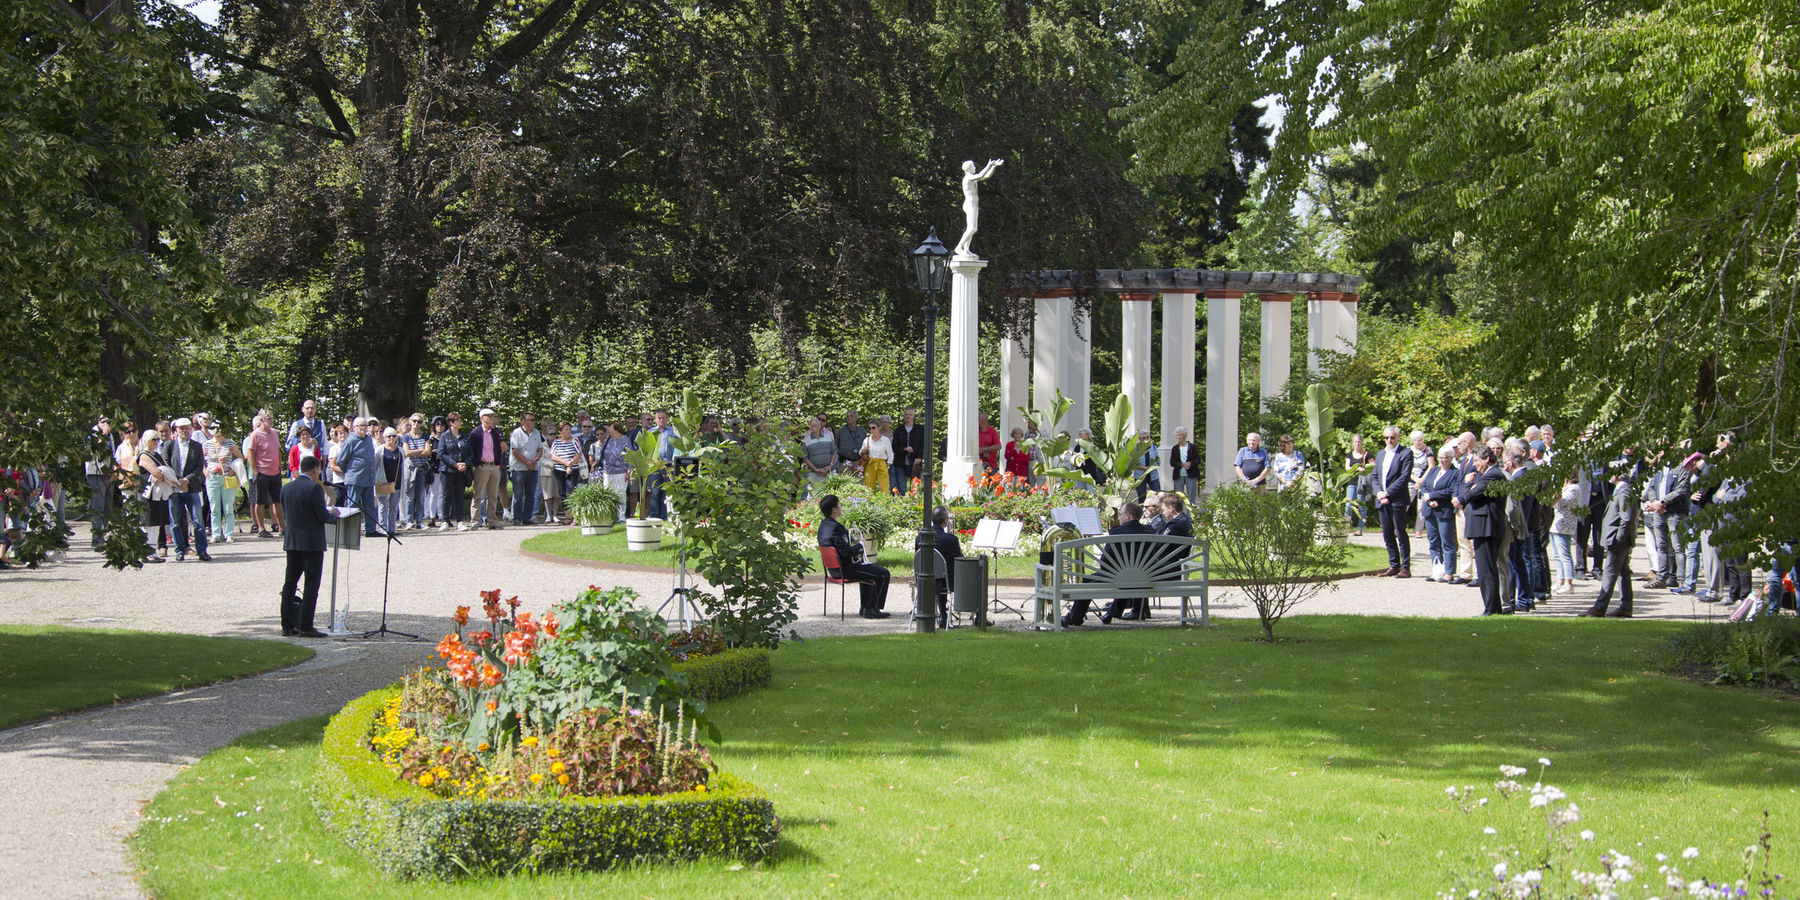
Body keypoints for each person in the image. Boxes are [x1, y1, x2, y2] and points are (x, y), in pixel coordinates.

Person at [1060, 500, 1153, 627]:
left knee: (1088, 581)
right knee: (1127, 577)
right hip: (1146, 577)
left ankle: (1074, 617)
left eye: (1120, 514)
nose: (1119, 518)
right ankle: (1111, 613)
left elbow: (1105, 562)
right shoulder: (1150, 531)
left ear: (1128, 516)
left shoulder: (1117, 533)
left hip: (1119, 577)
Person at [278, 455, 339, 637]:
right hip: (311, 542)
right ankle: (306, 626)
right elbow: (322, 516)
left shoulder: (286, 488)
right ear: (315, 469)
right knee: (311, 585)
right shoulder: (314, 488)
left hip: (292, 541)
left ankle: (287, 625)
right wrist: (334, 514)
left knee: (290, 584)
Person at [1582, 463, 1643, 618]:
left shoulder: (1624, 491)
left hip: (1617, 541)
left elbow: (1627, 518)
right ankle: (1625, 607)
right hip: (1616, 539)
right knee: (1623, 573)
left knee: (1610, 573)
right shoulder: (1622, 490)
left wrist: (1619, 538)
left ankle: (1599, 608)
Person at [816, 494, 891, 618]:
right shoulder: (836, 528)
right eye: (839, 504)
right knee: (883, 574)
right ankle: (872, 609)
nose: (841, 506)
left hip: (833, 570)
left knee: (869, 571)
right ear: (834, 510)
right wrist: (860, 545)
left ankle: (866, 607)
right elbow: (846, 552)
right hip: (845, 569)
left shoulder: (823, 526)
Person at [1457, 445, 1506, 615]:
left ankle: (1491, 609)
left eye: (1477, 461)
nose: (1475, 465)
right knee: (1487, 569)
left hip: (1487, 527)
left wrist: (1468, 484)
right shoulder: (1487, 475)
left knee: (1486, 570)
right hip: (1484, 527)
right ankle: (1493, 608)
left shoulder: (1493, 475)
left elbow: (1470, 496)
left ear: (1486, 459)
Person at [165, 418, 212, 562]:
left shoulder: (197, 446)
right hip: (174, 488)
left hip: (192, 488)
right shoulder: (169, 445)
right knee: (175, 521)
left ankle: (201, 550)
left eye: (186, 428)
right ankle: (180, 550)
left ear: (191, 429)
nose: (184, 431)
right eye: (181, 428)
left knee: (198, 521)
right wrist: (177, 480)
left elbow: (199, 467)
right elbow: (166, 465)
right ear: (176, 430)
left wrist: (187, 480)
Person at [1372, 426, 1413, 577]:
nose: (1389, 440)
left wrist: (1387, 493)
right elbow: (1374, 476)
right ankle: (1394, 564)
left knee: (1400, 533)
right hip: (1382, 500)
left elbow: (1404, 477)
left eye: (1392, 437)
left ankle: (1406, 567)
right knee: (1387, 534)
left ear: (1398, 437)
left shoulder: (1405, 453)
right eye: (1387, 438)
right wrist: (1378, 493)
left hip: (1397, 500)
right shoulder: (1381, 454)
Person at [334, 417, 380, 537]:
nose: (364, 428)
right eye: (361, 426)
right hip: (355, 479)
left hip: (368, 479)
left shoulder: (369, 439)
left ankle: (370, 530)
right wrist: (350, 472)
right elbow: (341, 460)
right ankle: (350, 532)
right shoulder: (350, 441)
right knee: (352, 507)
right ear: (354, 428)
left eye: (365, 426)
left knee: (369, 506)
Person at [1420, 445, 1460, 582]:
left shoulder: (1455, 473)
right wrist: (1429, 498)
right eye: (1441, 457)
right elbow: (1424, 486)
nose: (1443, 460)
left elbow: (1450, 490)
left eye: (1446, 458)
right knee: (1433, 541)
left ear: (1451, 458)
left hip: (1444, 510)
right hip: (1430, 509)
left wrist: (1432, 495)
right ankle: (1437, 570)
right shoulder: (1434, 471)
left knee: (1447, 542)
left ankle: (1449, 572)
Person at [204, 421, 244, 544]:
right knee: (214, 507)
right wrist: (205, 471)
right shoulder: (207, 444)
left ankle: (229, 533)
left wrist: (233, 470)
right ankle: (216, 533)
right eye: (217, 435)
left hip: (226, 477)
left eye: (222, 435)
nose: (220, 438)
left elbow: (240, 457)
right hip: (212, 478)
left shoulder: (230, 443)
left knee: (228, 507)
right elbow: (201, 459)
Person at [468, 408, 507, 529]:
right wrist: (477, 463)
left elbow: (499, 448)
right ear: (482, 417)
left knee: (493, 495)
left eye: (492, 416)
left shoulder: (495, 432)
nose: (491, 418)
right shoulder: (475, 432)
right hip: (482, 466)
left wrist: (496, 461)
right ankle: (475, 520)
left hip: (494, 466)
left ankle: (492, 521)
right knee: (478, 495)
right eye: (489, 416)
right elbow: (472, 450)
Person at [135, 430, 171, 563]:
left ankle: (152, 551)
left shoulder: (158, 455)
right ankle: (146, 551)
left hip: (160, 493)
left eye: (157, 439)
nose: (156, 442)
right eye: (153, 439)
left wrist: (165, 474)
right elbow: (157, 472)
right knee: (148, 522)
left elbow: (167, 469)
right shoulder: (143, 455)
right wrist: (163, 474)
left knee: (157, 523)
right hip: (148, 493)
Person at [1549, 470, 1586, 595]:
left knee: (1565, 555)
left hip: (1565, 525)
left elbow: (1561, 504)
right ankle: (1560, 580)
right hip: (1556, 523)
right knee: (1557, 555)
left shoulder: (1574, 489)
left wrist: (1556, 496)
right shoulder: (1565, 488)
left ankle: (1569, 583)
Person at [927, 505, 964, 629]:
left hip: (925, 581)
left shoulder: (920, 537)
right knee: (973, 575)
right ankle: (979, 616)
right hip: (946, 581)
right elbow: (960, 561)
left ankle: (943, 614)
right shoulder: (950, 539)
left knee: (940, 575)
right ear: (945, 521)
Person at [507, 412, 545, 527]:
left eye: (534, 420)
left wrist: (534, 461)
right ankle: (517, 518)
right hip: (519, 469)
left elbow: (540, 449)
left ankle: (527, 517)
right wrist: (527, 462)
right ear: (524, 421)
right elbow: (515, 451)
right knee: (518, 494)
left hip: (533, 468)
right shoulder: (516, 433)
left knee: (531, 494)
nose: (534, 422)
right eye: (531, 420)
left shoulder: (536, 433)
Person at [438, 412, 471, 530]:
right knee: (447, 495)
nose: (460, 422)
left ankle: (460, 521)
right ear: (451, 423)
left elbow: (470, 453)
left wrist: (465, 464)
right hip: (447, 470)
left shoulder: (464, 436)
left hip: (461, 471)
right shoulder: (444, 436)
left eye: (460, 420)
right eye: (457, 421)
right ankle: (445, 521)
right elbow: (441, 453)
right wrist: (454, 464)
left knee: (459, 495)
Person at [400, 413, 432, 529]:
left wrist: (416, 452)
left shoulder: (425, 436)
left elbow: (428, 452)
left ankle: (419, 521)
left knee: (420, 496)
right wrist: (420, 450)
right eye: (414, 421)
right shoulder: (406, 437)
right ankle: (409, 520)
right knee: (410, 496)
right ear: (410, 421)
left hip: (421, 469)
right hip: (410, 469)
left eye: (419, 421)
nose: (416, 423)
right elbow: (406, 453)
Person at [548, 421, 582, 525]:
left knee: (571, 492)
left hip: (573, 470)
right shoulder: (556, 442)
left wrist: (570, 465)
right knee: (562, 493)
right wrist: (566, 463)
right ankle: (567, 516)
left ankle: (575, 517)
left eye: (569, 429)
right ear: (560, 431)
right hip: (559, 471)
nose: (568, 431)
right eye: (566, 429)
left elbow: (578, 454)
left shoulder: (575, 440)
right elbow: (553, 456)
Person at [800, 416, 837, 496]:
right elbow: (805, 458)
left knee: (830, 495)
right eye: (812, 426)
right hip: (814, 474)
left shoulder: (829, 437)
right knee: (814, 496)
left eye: (815, 425)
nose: (813, 427)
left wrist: (830, 466)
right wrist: (816, 469)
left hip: (829, 473)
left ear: (819, 426)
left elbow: (834, 452)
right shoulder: (806, 440)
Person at [376, 427, 403, 533]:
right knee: (382, 506)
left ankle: (392, 529)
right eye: (388, 436)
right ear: (384, 437)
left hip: (396, 481)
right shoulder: (379, 450)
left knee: (394, 507)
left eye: (393, 436)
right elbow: (375, 465)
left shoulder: (400, 450)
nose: (391, 438)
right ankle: (383, 528)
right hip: (383, 481)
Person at [893, 407, 925, 494]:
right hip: (900, 461)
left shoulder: (920, 429)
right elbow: (894, 447)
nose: (908, 416)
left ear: (913, 416)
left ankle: (915, 503)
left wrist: (919, 457)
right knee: (901, 486)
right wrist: (904, 449)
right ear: (904, 415)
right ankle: (904, 504)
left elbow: (923, 445)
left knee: (915, 485)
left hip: (915, 461)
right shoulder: (898, 430)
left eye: (910, 414)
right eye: (906, 414)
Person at [1344, 433, 1371, 536]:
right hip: (1352, 482)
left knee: (1361, 506)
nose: (1357, 444)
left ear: (1362, 442)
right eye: (1355, 442)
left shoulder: (1367, 455)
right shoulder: (1349, 455)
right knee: (1348, 505)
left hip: (1362, 483)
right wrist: (1355, 468)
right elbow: (1347, 468)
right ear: (1352, 443)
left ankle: (1360, 529)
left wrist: (1363, 469)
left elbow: (1373, 466)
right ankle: (1346, 527)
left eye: (1359, 442)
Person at [861, 421, 893, 494]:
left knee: (884, 487)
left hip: (881, 464)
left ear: (879, 428)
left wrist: (888, 465)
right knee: (868, 487)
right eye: (870, 428)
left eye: (873, 427)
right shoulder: (867, 440)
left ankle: (885, 503)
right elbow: (860, 452)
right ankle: (869, 503)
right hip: (870, 463)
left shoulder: (886, 440)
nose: (871, 430)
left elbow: (890, 455)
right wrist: (864, 449)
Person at [1168, 427, 1198, 499]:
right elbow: (1172, 462)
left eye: (1181, 435)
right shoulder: (1175, 448)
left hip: (1191, 475)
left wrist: (1190, 463)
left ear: (1185, 435)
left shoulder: (1192, 447)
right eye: (1177, 435)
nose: (1179, 437)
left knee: (1191, 496)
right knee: (1178, 497)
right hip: (1179, 475)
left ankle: (1190, 510)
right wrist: (1181, 464)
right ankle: (1180, 510)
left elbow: (1198, 459)